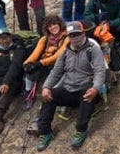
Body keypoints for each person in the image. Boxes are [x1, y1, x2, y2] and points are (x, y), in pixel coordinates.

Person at [35, 21, 106, 151]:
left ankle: (81, 130)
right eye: (72, 35)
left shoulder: (92, 49)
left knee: (87, 94)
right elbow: (56, 72)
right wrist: (46, 87)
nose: (75, 38)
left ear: (83, 33)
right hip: (69, 90)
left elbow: (100, 70)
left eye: (77, 34)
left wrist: (95, 88)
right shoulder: (65, 52)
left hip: (87, 89)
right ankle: (45, 132)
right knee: (49, 95)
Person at [22, 14, 70, 110]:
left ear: (60, 24)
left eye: (55, 24)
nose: (53, 27)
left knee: (52, 80)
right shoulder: (44, 39)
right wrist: (27, 63)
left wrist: (41, 63)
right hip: (45, 64)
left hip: (59, 65)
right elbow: (35, 54)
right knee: (30, 72)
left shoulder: (67, 38)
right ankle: (28, 94)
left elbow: (59, 55)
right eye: (50, 26)